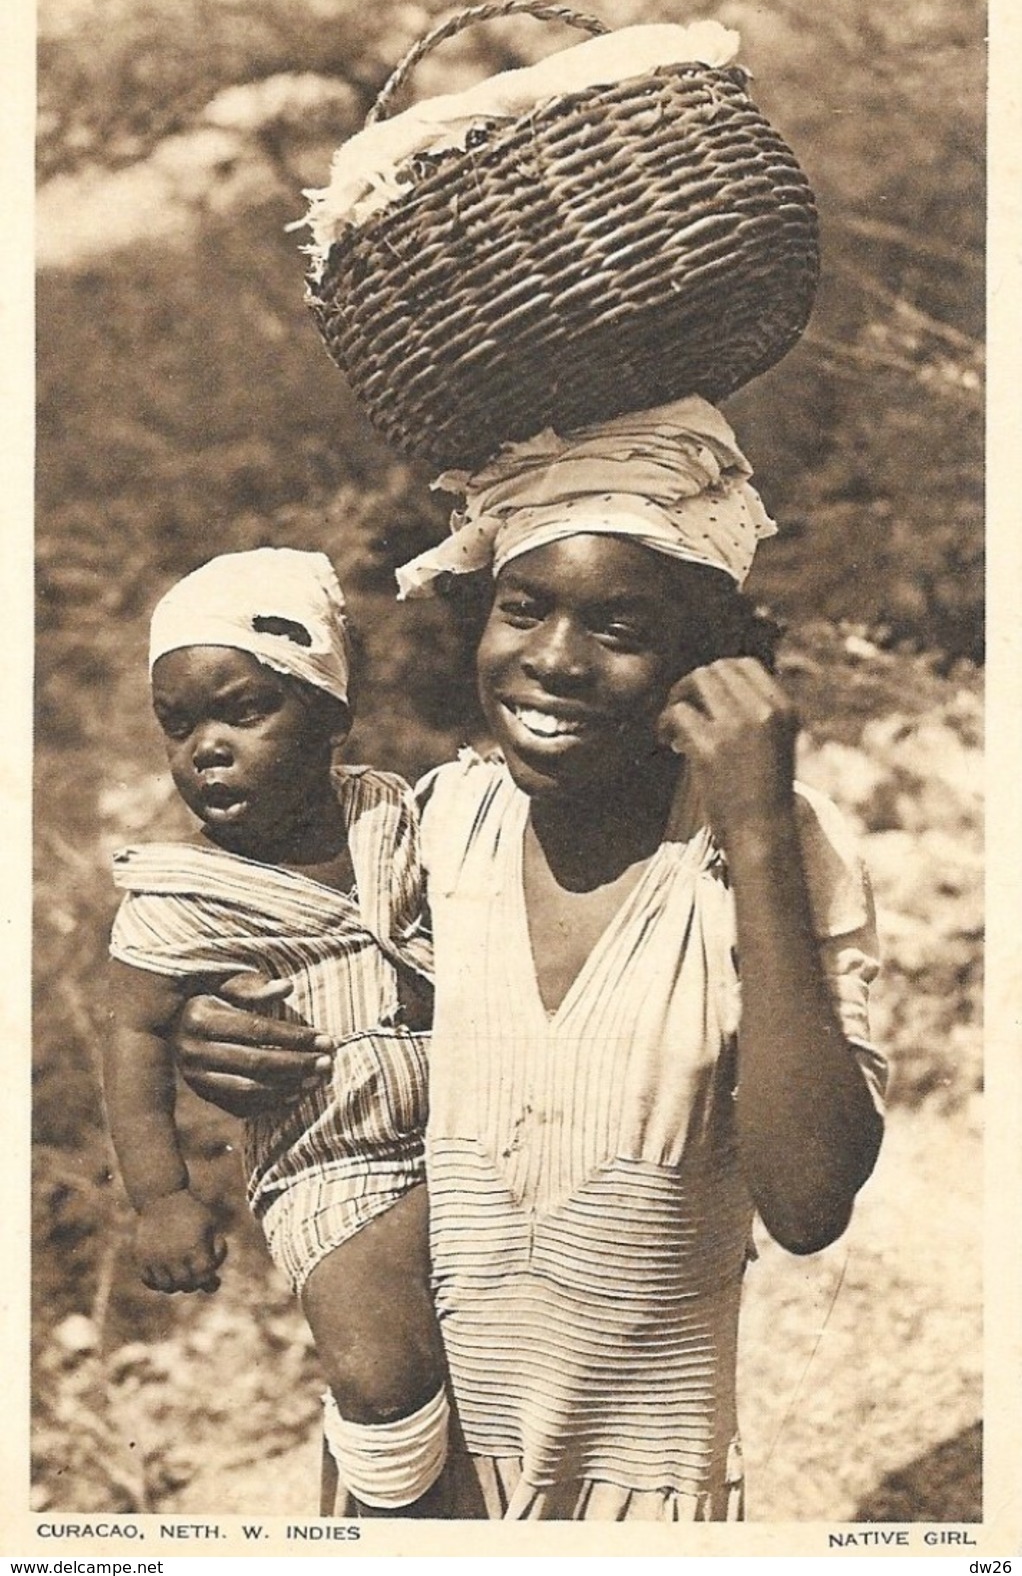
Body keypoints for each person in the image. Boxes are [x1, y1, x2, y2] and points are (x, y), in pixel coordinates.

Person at [169, 400, 888, 1521]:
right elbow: (333, 1032)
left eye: (620, 627)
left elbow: (806, 1202)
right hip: (415, 1481)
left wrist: (752, 832)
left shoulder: (771, 854)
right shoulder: (438, 826)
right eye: (523, 609)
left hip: (638, 1502)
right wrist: (223, 1035)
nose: (552, 660)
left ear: (701, 661)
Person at [102, 547, 449, 1517]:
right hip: (322, 1161)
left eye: (241, 711)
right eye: (178, 726)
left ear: (330, 713)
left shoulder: (388, 813)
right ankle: (390, 1524)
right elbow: (130, 1034)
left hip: (464, 1128)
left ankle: (406, 1497)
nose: (203, 748)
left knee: (474, 1359)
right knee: (375, 1361)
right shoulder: (180, 895)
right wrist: (162, 1197)